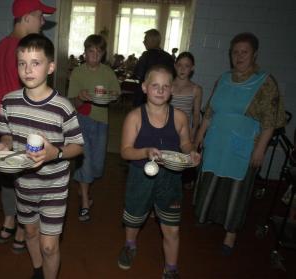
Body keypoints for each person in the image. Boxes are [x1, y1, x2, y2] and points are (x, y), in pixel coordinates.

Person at [0, 34, 84, 279]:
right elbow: (7, 136)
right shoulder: (8, 101)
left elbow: (77, 146)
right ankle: (38, 270)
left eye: (36, 62)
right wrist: (3, 145)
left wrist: (56, 152)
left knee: (49, 245)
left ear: (50, 67)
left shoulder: (63, 106)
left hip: (54, 185)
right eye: (22, 63)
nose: (28, 69)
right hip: (24, 183)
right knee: (30, 233)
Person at [193, 32, 286, 256]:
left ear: (255, 54)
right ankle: (206, 216)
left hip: (241, 146)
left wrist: (260, 148)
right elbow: (210, 112)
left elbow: (270, 122)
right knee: (211, 181)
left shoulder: (265, 82)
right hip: (216, 141)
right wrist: (199, 136)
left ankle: (230, 234)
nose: (239, 56)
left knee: (236, 189)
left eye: (244, 52)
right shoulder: (223, 78)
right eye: (235, 52)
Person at [117, 64, 201, 279]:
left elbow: (186, 144)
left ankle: (171, 268)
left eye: (165, 86)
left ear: (172, 90)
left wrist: (192, 152)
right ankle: (130, 245)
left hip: (171, 180)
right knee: (134, 218)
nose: (160, 90)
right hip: (141, 177)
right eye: (155, 85)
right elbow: (125, 152)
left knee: (172, 227)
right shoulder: (135, 117)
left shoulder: (180, 117)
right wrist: (145, 151)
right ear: (144, 87)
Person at [0, 0, 55, 253]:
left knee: (8, 178)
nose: (43, 21)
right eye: (40, 15)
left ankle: (8, 222)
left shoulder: (1, 46)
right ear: (26, 17)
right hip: (22, 125)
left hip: (2, 125)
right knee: (27, 179)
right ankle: (21, 230)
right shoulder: (27, 52)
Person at [68, 34, 121, 222]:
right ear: (85, 52)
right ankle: (84, 202)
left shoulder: (108, 72)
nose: (95, 55)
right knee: (86, 160)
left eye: (99, 52)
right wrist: (80, 97)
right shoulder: (77, 72)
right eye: (91, 51)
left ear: (103, 54)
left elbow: (116, 94)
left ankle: (82, 183)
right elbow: (72, 102)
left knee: (97, 163)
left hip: (102, 122)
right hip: (82, 120)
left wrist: (113, 95)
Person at [171, 52, 203, 189]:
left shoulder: (196, 89)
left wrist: (194, 137)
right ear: (174, 66)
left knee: (181, 169)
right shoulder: (167, 85)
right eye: (179, 65)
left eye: (187, 66)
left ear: (193, 68)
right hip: (167, 131)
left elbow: (196, 115)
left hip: (184, 134)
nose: (182, 69)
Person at [133, 29, 175, 107]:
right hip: (163, 94)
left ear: (152, 41)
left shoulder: (146, 55)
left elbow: (138, 73)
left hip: (144, 96)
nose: (143, 42)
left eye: (145, 40)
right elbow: (172, 77)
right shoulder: (168, 57)